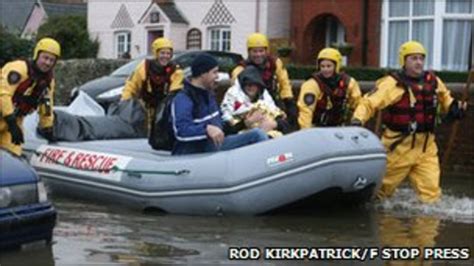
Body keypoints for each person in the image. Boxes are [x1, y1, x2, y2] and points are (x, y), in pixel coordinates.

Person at [351, 41, 468, 203]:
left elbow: (446, 98)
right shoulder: (392, 84)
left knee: (431, 196)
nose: (419, 62)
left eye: (421, 58)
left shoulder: (432, 81)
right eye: (414, 58)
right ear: (404, 61)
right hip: (398, 147)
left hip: (426, 147)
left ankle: (426, 227)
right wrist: (358, 120)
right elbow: (369, 103)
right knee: (379, 194)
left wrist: (454, 108)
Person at [171, 53, 268, 155]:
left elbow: (221, 126)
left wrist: (244, 123)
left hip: (213, 146)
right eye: (214, 72)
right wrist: (206, 129)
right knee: (257, 135)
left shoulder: (209, 94)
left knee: (257, 132)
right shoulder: (183, 99)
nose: (217, 76)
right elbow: (181, 131)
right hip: (195, 152)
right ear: (203, 74)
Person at [0, 37, 60, 156]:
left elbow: (47, 104)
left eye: (52, 60)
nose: (48, 63)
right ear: (37, 55)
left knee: (14, 157)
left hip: (12, 123)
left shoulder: (48, 81)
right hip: (9, 119)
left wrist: (47, 127)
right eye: (45, 58)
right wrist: (11, 121)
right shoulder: (19, 69)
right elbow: (3, 94)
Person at [231, 33, 298, 129]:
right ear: (249, 52)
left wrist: (289, 102)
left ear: (267, 51)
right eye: (255, 51)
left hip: (274, 104)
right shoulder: (240, 70)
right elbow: (236, 94)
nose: (258, 55)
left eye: (261, 51)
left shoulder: (275, 63)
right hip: (251, 107)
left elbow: (284, 84)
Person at [121, 37, 183, 131]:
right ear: (156, 53)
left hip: (163, 109)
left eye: (168, 53)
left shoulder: (176, 71)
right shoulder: (144, 67)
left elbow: (175, 91)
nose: (165, 56)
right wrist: (125, 102)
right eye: (162, 53)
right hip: (144, 108)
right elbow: (131, 85)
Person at [297, 48, 361, 128]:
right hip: (317, 128)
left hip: (340, 127)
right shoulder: (312, 84)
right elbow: (305, 111)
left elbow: (358, 104)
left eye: (329, 66)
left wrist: (356, 121)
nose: (325, 69)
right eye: (322, 66)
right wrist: (306, 132)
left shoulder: (348, 83)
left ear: (336, 66)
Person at [221, 65, 290, 138]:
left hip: (268, 135)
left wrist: (274, 124)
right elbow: (226, 129)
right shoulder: (232, 95)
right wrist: (246, 123)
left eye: (254, 84)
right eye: (247, 84)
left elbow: (285, 124)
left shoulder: (265, 97)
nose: (250, 87)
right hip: (242, 139)